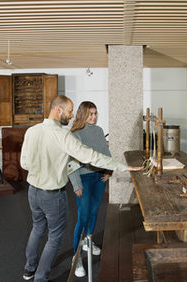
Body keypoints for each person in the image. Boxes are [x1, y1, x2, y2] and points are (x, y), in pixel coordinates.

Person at [20, 95, 141, 282]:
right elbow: (91, 156)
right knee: (54, 238)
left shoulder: (32, 131)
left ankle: (29, 270)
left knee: (37, 229)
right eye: (69, 112)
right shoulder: (63, 135)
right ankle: (41, 278)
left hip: (33, 192)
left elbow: (25, 164)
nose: (70, 116)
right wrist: (124, 167)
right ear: (58, 110)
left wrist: (45, 166)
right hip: (52, 195)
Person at [67, 101, 110, 277]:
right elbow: (70, 161)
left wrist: (109, 170)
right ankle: (76, 258)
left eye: (95, 113)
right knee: (83, 216)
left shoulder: (99, 130)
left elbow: (105, 153)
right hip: (83, 179)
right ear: (82, 114)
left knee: (93, 212)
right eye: (90, 114)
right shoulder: (75, 134)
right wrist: (76, 184)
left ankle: (89, 241)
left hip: (99, 178)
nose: (94, 117)